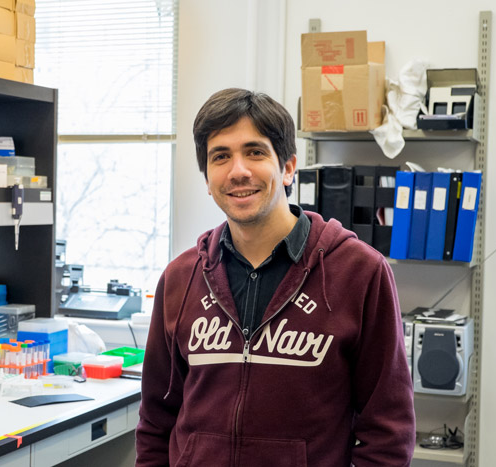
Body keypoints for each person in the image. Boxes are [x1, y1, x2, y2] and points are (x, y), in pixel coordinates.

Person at [135, 88, 415, 466]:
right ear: (207, 177)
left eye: (255, 152)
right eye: (221, 156)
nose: (238, 171)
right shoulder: (179, 279)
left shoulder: (360, 272)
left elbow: (389, 434)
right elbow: (155, 421)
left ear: (287, 167)